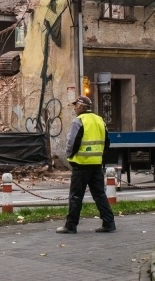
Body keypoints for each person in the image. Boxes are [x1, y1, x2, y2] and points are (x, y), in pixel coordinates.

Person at [56, 96, 117, 234]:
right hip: (96, 164)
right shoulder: (100, 120)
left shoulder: (78, 121)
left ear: (81, 106)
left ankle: (71, 225)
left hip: (81, 165)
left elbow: (72, 143)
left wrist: (69, 157)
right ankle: (109, 222)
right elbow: (107, 142)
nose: (74, 108)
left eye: (75, 105)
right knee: (100, 194)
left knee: (76, 196)